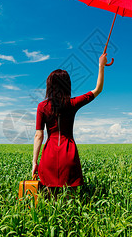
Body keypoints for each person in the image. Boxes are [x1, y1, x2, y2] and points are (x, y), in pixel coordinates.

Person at [32, 53, 107, 192]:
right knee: (70, 199)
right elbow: (98, 90)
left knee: (49, 198)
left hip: (49, 156)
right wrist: (101, 66)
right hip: (69, 154)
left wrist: (34, 162)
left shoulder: (42, 106)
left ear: (49, 85)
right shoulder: (72, 103)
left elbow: (38, 136)